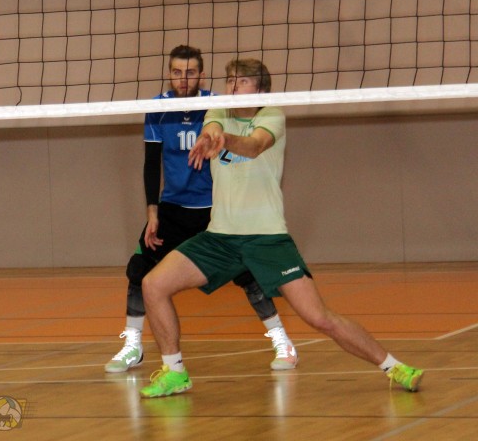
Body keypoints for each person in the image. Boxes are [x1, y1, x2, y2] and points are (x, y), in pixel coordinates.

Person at [139, 59, 424, 398]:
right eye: (229, 80)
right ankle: (175, 373)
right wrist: (210, 135)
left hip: (267, 238)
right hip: (221, 238)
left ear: (260, 88)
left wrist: (223, 140)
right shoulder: (217, 111)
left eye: (242, 81)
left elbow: (254, 146)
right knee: (153, 284)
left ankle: (395, 367)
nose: (232, 86)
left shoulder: (272, 115)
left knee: (319, 318)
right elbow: (212, 128)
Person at [105, 46, 297, 374]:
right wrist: (152, 211)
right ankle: (132, 344)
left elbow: (228, 132)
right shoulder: (158, 109)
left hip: (214, 210)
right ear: (169, 74)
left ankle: (282, 341)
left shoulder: (217, 105)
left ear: (202, 75)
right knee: (139, 270)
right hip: (173, 207)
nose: (184, 79)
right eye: (177, 72)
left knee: (249, 275)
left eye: (191, 72)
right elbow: (151, 163)